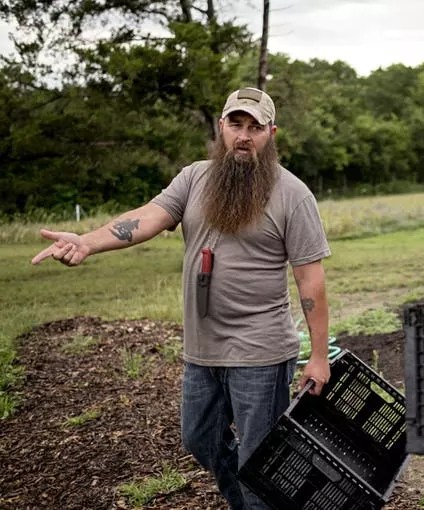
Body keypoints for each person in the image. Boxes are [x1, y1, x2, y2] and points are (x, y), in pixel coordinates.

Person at [31, 87, 331, 510]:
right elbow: (146, 218)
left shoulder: (293, 194)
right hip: (202, 350)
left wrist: (318, 356)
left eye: (255, 127)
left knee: (258, 458)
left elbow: (310, 281)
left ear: (271, 133)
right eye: (236, 124)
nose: (244, 136)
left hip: (260, 354)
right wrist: (87, 242)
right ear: (221, 127)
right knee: (200, 440)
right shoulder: (194, 178)